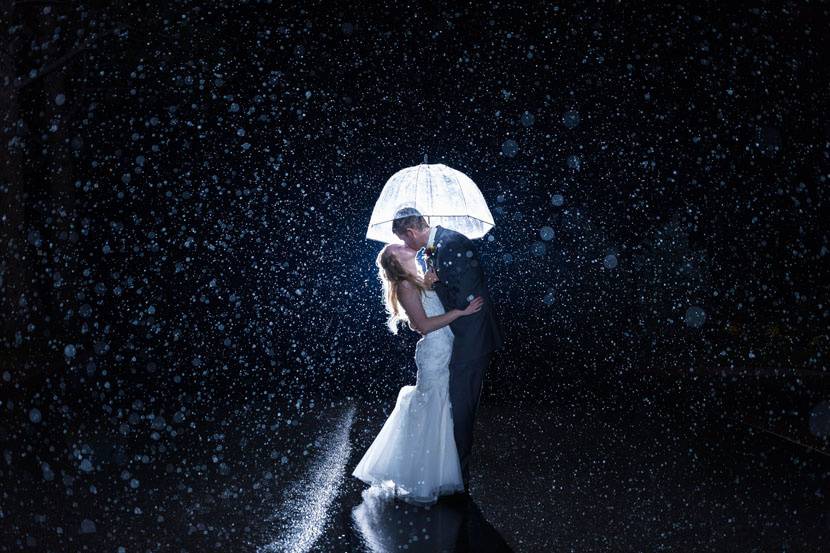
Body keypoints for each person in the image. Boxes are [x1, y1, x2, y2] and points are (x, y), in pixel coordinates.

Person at [351, 239, 483, 505]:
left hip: (445, 347)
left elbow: (421, 316)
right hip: (435, 351)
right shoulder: (406, 285)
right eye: (395, 248)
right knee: (434, 407)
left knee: (440, 407)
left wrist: (431, 284)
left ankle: (435, 470)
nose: (400, 245)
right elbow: (422, 325)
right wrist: (460, 312)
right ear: (395, 262)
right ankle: (427, 476)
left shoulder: (418, 279)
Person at [390, 207, 504, 490]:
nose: (407, 246)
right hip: (454, 339)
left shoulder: (450, 244)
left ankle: (457, 478)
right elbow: (441, 306)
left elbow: (464, 299)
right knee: (454, 407)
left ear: (412, 232)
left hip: (470, 339)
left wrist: (436, 284)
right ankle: (450, 475)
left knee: (461, 408)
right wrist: (435, 282)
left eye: (405, 240)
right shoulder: (438, 248)